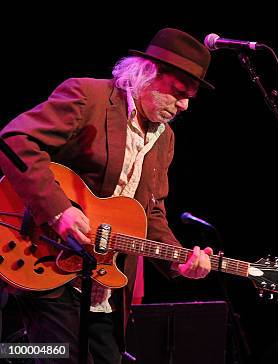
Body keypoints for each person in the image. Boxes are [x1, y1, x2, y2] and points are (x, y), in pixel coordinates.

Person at [0, 28, 215, 363]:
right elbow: (15, 141)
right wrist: (59, 211)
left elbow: (150, 214)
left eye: (190, 97)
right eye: (178, 92)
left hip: (103, 285)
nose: (184, 105)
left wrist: (180, 261)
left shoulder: (165, 138)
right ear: (149, 74)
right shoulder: (89, 97)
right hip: (44, 259)